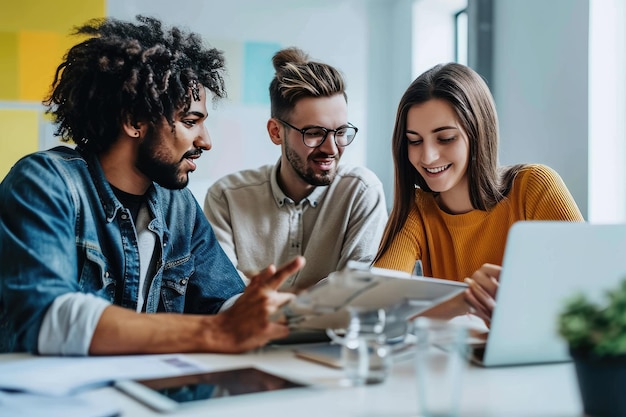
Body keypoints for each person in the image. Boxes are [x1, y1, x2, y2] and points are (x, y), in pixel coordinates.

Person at [0, 16, 305, 356]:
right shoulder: (44, 183)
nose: (206, 142)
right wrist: (215, 331)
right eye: (191, 122)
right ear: (134, 122)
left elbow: (220, 304)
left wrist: (280, 311)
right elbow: (46, 318)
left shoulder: (179, 204)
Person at [373, 62, 584, 324]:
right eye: (414, 141)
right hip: (465, 360)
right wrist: (467, 299)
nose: (427, 156)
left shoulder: (535, 186)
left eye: (445, 138)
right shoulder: (418, 209)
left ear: (479, 133)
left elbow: (590, 289)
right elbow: (377, 307)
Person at [203, 47, 387, 291]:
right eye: (314, 133)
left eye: (340, 132)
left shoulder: (361, 191)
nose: (331, 149)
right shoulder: (226, 197)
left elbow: (356, 295)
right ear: (276, 132)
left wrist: (261, 293)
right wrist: (322, 291)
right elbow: (223, 296)